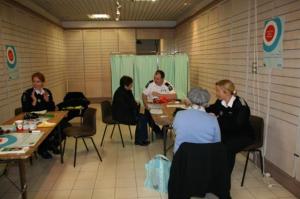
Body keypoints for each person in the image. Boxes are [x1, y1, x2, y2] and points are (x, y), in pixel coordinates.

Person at [206, 79, 254, 175]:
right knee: (210, 141)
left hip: (243, 135)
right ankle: (214, 170)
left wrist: (217, 120)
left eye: (218, 91)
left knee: (226, 147)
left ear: (226, 92)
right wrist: (199, 107)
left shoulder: (241, 105)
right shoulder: (221, 102)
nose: (216, 93)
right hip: (228, 132)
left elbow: (237, 125)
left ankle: (224, 176)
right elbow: (212, 108)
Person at [21, 72, 58, 159]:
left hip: (47, 118)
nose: (35, 84)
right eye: (34, 81)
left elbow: (52, 108)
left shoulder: (47, 92)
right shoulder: (27, 93)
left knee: (63, 126)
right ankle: (42, 150)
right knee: (44, 130)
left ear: (42, 82)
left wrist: (47, 100)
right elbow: (25, 111)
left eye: (38, 81)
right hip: (34, 120)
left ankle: (51, 144)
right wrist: (33, 101)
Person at [173, 87, 221, 153]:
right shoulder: (213, 119)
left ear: (189, 99)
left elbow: (175, 132)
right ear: (206, 101)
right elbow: (217, 142)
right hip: (204, 157)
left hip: (181, 156)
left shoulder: (179, 114)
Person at [112, 76, 149, 146]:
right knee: (141, 118)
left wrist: (135, 104)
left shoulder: (128, 91)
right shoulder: (119, 94)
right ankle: (139, 141)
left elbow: (132, 102)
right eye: (131, 84)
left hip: (128, 112)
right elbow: (125, 107)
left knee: (144, 115)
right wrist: (135, 105)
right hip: (121, 115)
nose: (132, 85)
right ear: (125, 85)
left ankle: (143, 138)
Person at [142, 70, 177, 137]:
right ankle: (158, 131)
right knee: (147, 115)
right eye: (154, 78)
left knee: (169, 116)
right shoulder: (150, 84)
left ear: (162, 79)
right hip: (152, 105)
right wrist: (145, 104)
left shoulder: (167, 84)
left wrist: (159, 94)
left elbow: (174, 96)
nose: (155, 80)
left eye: (157, 79)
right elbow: (144, 95)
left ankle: (164, 131)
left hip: (164, 106)